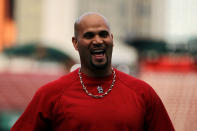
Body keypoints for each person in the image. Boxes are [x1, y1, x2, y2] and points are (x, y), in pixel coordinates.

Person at [11, 12, 175, 131]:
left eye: (103, 34)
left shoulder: (143, 93)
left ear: (112, 39)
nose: (98, 41)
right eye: (89, 35)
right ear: (75, 43)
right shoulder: (50, 94)